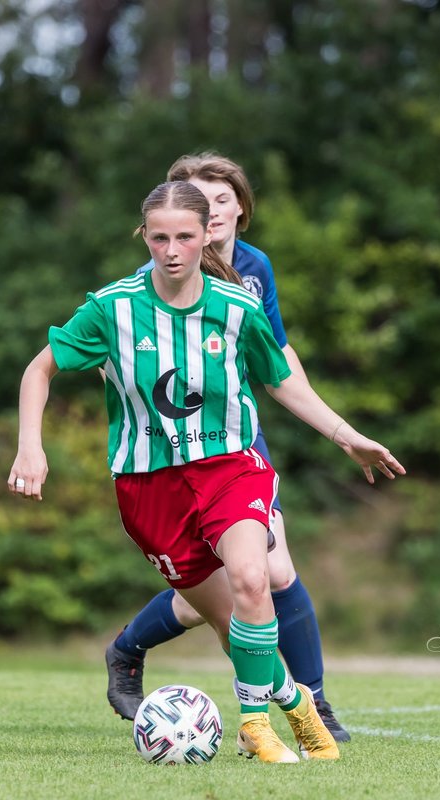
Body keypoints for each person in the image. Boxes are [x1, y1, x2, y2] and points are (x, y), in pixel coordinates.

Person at [8, 181, 405, 763]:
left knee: (253, 577)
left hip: (230, 465)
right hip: (150, 488)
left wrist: (348, 437)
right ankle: (293, 701)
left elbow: (282, 379)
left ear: (206, 237)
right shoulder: (111, 308)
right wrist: (29, 447)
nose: (171, 250)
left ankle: (255, 725)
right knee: (229, 625)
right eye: (159, 237)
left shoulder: (236, 306)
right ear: (144, 236)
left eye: (185, 237)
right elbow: (38, 371)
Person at [103, 153, 353, 741]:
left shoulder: (254, 267)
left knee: (269, 573)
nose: (210, 211)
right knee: (217, 599)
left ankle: (312, 705)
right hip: (168, 444)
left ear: (240, 206)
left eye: (220, 200)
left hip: (236, 437)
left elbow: (278, 355)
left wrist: (333, 425)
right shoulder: (166, 264)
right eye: (197, 199)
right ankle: (130, 650)